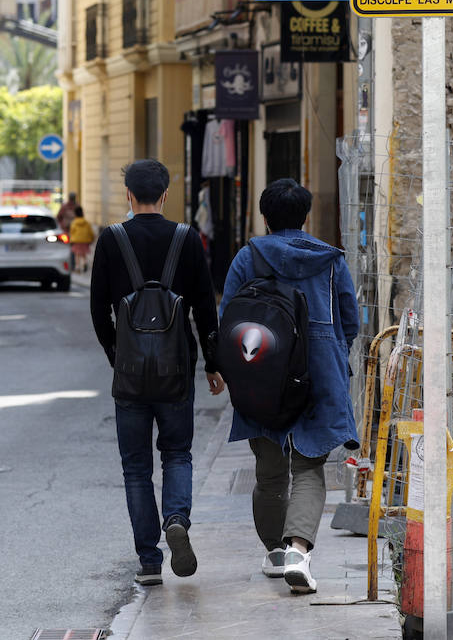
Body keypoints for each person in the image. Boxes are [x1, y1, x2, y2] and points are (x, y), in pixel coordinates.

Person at [219, 178, 360, 594]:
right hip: (319, 372)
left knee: (269, 472)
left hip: (261, 370)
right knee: (310, 466)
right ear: (306, 217)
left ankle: (276, 553)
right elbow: (349, 320)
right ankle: (299, 549)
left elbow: (228, 320)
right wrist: (330, 351)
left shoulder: (248, 258)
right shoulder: (330, 261)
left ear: (265, 218)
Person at [89, 160, 225, 587]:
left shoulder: (111, 240)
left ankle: (149, 562)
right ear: (165, 195)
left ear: (128, 195)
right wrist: (213, 364)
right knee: (177, 453)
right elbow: (205, 306)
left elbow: (97, 310)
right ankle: (176, 519)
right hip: (176, 370)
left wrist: (118, 355)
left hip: (129, 375)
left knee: (135, 468)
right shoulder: (186, 239)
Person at [68, 206, 95, 274]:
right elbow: (91, 232)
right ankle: (84, 263)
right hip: (85, 241)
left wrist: (71, 240)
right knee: (83, 254)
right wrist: (91, 239)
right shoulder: (87, 222)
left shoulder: (74, 223)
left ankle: (77, 267)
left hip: (76, 241)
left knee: (77, 254)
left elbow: (71, 232)